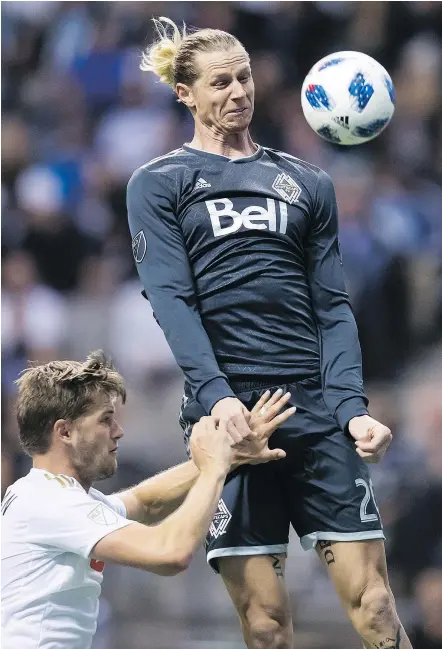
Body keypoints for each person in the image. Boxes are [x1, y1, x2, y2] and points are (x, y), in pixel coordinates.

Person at [127, 17, 412, 649]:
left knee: (376, 606)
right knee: (266, 626)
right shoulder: (159, 182)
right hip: (232, 416)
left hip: (315, 407)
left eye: (245, 77)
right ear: (186, 95)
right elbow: (172, 301)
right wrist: (219, 399)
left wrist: (352, 411)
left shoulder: (308, 182)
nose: (238, 92)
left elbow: (333, 308)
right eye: (220, 82)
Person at [1, 350, 295, 649]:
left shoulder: (46, 495)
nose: (119, 432)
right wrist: (214, 468)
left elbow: (146, 501)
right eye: (105, 420)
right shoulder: (51, 502)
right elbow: (169, 553)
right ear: (64, 432)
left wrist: (231, 454)